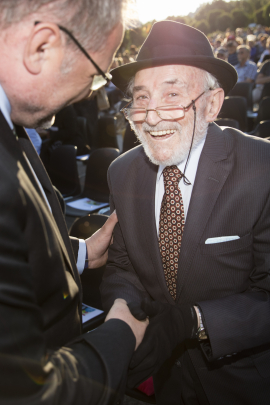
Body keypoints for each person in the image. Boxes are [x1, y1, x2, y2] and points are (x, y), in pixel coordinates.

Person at [101, 20, 270, 405]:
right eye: (141, 98)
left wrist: (192, 321)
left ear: (212, 104)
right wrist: (121, 321)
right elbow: (123, 267)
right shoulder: (122, 172)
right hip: (169, 381)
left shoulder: (263, 169)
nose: (153, 115)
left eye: (172, 94)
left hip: (246, 384)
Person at [0, 1, 149, 404]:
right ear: (41, 48)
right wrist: (120, 332)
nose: (89, 92)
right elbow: (25, 392)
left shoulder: (14, 125)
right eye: (98, 76)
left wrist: (80, 254)